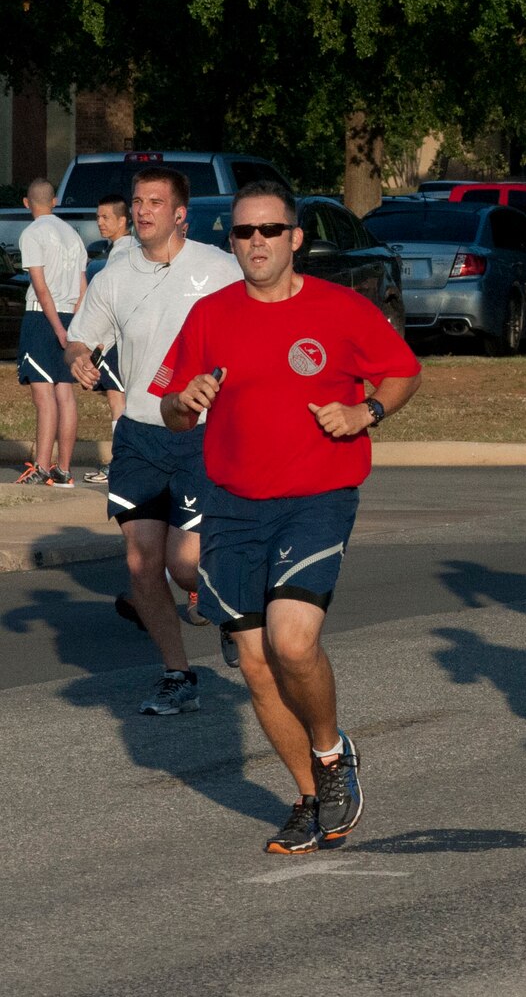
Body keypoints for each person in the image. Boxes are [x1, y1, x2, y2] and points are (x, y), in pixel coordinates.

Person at [156, 179, 422, 854]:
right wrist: (184, 400)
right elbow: (171, 410)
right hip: (232, 505)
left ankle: (332, 754)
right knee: (253, 662)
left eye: (269, 231)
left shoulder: (341, 308)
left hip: (316, 496)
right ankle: (309, 797)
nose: (256, 244)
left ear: (295, 238)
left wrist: (367, 412)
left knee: (292, 641)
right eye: (243, 233)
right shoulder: (212, 315)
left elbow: (403, 372)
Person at [63, 166, 242, 711]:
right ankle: (177, 673)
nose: (142, 211)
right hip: (140, 433)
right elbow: (78, 341)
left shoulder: (219, 269)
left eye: (155, 202)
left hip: (200, 434)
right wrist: (81, 362)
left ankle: (230, 611)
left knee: (185, 564)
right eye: (137, 201)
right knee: (141, 563)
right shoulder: (114, 276)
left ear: (180, 213)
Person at [14, 178, 87, 487]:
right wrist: (77, 326)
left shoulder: (33, 233)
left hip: (44, 318)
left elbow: (40, 287)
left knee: (43, 394)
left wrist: (56, 327)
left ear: (26, 203)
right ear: (55, 201)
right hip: (72, 313)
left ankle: (42, 467)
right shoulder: (73, 235)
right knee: (64, 392)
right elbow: (83, 286)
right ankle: (64, 470)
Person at [83, 195, 136, 469]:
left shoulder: (122, 254)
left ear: (123, 220)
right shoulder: (126, 249)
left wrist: (101, 343)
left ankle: (121, 461)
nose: (100, 223)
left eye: (106, 217)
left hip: (117, 340)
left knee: (118, 400)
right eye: (98, 217)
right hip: (122, 339)